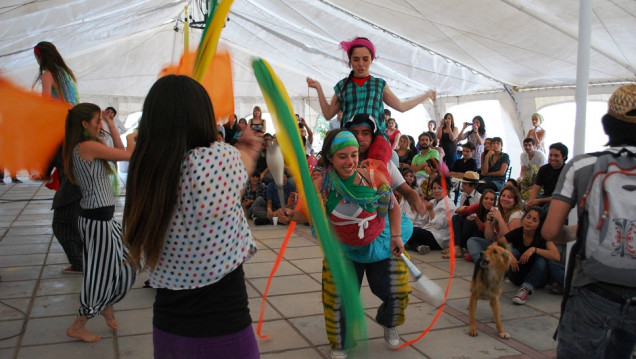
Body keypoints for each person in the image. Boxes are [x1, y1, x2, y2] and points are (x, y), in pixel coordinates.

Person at [123, 75, 261, 358]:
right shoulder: (217, 159)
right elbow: (241, 165)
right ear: (202, 115)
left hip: (169, 323)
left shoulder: (146, 165)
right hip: (224, 319)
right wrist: (248, 148)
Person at [290, 129, 410, 358]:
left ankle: (388, 321)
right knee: (337, 297)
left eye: (354, 155)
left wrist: (396, 236)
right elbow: (303, 214)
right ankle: (341, 342)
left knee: (398, 289)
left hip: (378, 244)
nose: (350, 161)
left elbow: (393, 207)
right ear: (331, 158)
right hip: (343, 249)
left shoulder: (374, 177)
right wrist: (289, 213)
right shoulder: (322, 185)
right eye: (343, 156)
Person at [542, 84, 636, 359]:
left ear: (608, 124)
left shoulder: (582, 166)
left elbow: (550, 230)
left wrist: (574, 233)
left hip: (592, 288)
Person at [62, 103, 136, 342]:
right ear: (84, 124)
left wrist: (112, 124)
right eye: (97, 121)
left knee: (129, 260)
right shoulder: (87, 146)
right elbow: (128, 154)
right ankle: (79, 323)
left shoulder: (88, 144)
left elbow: (119, 148)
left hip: (102, 219)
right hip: (97, 222)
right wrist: (135, 137)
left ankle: (107, 304)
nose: (99, 124)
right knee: (98, 274)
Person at [306, 36, 435, 136]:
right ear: (350, 61)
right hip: (350, 140)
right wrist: (318, 88)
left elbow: (401, 106)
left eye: (365, 59)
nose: (361, 64)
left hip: (376, 139)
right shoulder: (343, 86)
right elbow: (328, 114)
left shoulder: (379, 85)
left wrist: (425, 96)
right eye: (356, 59)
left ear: (371, 59)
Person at [34, 41, 83, 274]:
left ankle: (79, 262)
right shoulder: (67, 74)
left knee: (64, 217)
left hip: (59, 127)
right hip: (73, 126)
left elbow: (46, 103)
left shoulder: (47, 73)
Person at [502, 207, 560, 304]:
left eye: (534, 220)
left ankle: (525, 289)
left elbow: (556, 256)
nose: (529, 221)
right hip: (517, 275)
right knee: (513, 252)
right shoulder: (518, 232)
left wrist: (534, 249)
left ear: (540, 224)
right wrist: (509, 255)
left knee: (542, 259)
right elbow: (496, 245)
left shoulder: (543, 236)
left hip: (537, 278)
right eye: (528, 217)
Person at [466, 185, 523, 262]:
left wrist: (499, 219)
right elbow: (489, 237)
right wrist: (489, 220)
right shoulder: (497, 210)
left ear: (515, 201)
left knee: (506, 253)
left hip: (509, 248)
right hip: (495, 245)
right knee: (472, 241)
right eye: (503, 196)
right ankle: (483, 261)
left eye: (509, 197)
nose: (505, 199)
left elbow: (510, 240)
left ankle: (483, 261)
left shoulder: (517, 214)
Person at [405, 176, 456, 254]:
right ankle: (419, 247)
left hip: (440, 238)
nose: (436, 191)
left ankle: (409, 243)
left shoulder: (449, 204)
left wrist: (430, 210)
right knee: (410, 231)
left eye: (440, 188)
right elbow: (424, 221)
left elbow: (438, 225)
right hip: (429, 232)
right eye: (434, 188)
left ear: (446, 190)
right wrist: (422, 208)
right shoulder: (433, 201)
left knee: (411, 231)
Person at [451, 188, 496, 261]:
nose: (488, 201)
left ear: (495, 202)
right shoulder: (479, 205)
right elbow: (458, 211)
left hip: (484, 237)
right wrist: (464, 207)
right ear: (482, 199)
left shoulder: (493, 212)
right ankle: (457, 247)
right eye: (486, 198)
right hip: (472, 234)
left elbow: (484, 228)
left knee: (470, 221)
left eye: (491, 199)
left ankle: (463, 248)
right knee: (456, 218)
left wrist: (476, 219)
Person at [525, 142, 568, 211]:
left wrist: (540, 201)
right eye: (550, 155)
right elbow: (535, 189)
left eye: (556, 155)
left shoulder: (568, 171)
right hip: (545, 197)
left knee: (547, 210)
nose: (552, 158)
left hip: (560, 200)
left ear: (564, 156)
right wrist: (530, 203)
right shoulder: (543, 169)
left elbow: (562, 196)